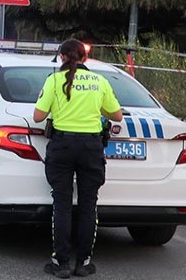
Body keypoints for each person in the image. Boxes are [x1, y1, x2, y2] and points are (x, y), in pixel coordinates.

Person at [33, 39, 123, 278]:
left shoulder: (54, 80)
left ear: (61, 57)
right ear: (85, 58)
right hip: (91, 147)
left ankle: (61, 263)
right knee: (88, 205)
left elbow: (38, 116)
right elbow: (117, 115)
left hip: (62, 145)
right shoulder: (99, 81)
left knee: (61, 204)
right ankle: (83, 262)